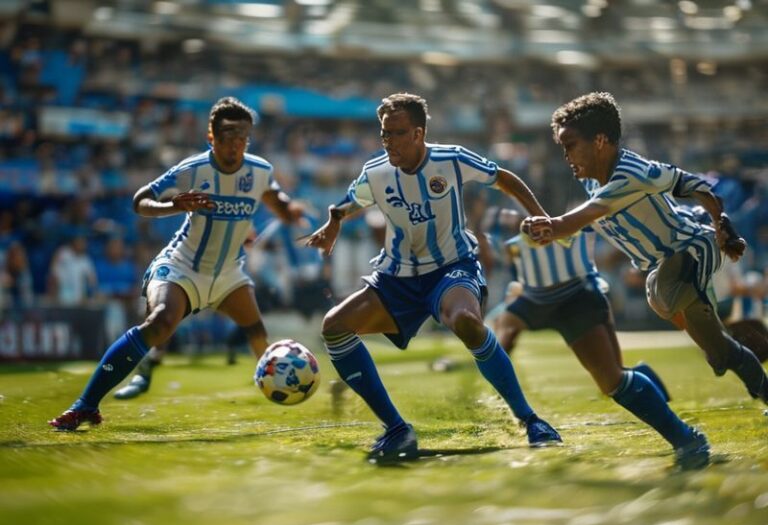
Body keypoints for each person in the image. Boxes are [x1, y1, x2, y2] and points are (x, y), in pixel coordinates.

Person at [305, 93, 561, 463]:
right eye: (384, 134)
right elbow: (349, 202)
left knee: (467, 323)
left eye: (396, 133)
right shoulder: (375, 172)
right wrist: (332, 224)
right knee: (334, 327)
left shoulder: (451, 159)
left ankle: (531, 420)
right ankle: (396, 429)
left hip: (451, 266)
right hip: (397, 277)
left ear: (418, 134)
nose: (388, 141)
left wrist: (541, 216)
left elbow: (503, 178)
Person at [50, 96, 304, 430]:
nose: (235, 146)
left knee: (258, 333)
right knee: (160, 323)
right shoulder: (192, 169)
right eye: (228, 138)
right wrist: (173, 206)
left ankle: (283, 396)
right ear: (211, 136)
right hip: (183, 266)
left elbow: (275, 199)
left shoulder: (260, 170)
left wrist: (290, 210)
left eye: (242, 138)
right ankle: (86, 406)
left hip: (229, 273)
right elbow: (140, 201)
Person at [521, 92, 767, 422]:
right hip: (658, 266)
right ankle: (731, 352)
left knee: (666, 286)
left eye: (570, 145)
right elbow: (579, 225)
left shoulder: (631, 172)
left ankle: (719, 332)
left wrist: (722, 225)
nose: (565, 155)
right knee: (716, 347)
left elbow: (694, 183)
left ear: (600, 141)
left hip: (690, 247)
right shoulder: (593, 183)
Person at [488, 208, 707, 469]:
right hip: (562, 295)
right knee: (613, 378)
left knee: (613, 381)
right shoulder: (528, 241)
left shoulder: (564, 220)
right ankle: (521, 409)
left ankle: (686, 438)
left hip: (574, 298)